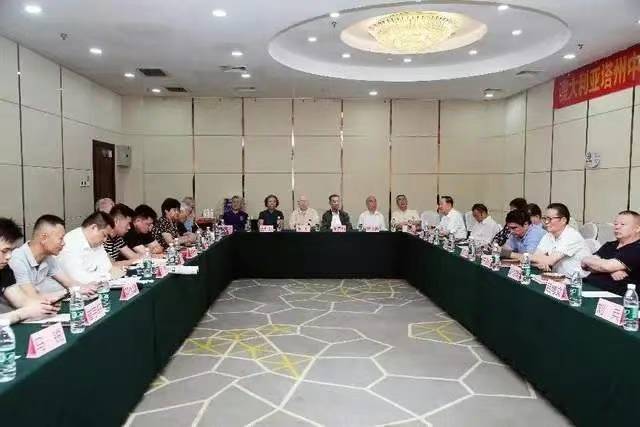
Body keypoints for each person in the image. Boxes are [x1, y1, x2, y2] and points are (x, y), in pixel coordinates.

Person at [9, 215, 94, 295]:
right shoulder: (17, 259)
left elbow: (68, 283)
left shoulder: (48, 257)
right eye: (60, 238)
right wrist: (70, 291)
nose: (63, 243)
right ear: (44, 238)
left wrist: (87, 287)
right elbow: (31, 297)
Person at [0, 218, 60, 325]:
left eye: (11, 251)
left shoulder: (4, 270)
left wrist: (44, 305)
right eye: (4, 251)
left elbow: (21, 301)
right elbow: (24, 311)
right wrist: (24, 313)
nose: (9, 256)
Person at [582, 210, 640, 294]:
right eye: (616, 224)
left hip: (615, 295)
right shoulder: (610, 245)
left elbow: (606, 266)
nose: (617, 227)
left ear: (637, 228)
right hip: (589, 286)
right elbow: (585, 266)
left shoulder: (637, 248)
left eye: (622, 224)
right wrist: (611, 270)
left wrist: (603, 266)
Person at [531, 203, 591, 277]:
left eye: (550, 219)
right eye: (545, 218)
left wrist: (526, 257)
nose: (546, 222)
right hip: (558, 277)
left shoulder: (571, 236)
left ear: (563, 220)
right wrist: (539, 262)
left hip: (579, 280)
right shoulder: (548, 235)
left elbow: (550, 261)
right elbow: (534, 258)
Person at [58, 211, 114, 285]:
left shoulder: (97, 243)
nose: (105, 240)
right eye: (104, 235)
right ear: (94, 227)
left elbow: (107, 267)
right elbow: (78, 279)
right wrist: (103, 276)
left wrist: (101, 276)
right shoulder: (71, 242)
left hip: (94, 287)